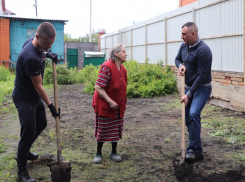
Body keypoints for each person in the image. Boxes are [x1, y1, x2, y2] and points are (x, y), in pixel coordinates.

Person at [12, 22, 60, 182]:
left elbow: (40, 50)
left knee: (42, 123)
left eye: (52, 43)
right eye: (47, 43)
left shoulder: (33, 42)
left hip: (32, 96)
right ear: (38, 37)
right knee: (28, 133)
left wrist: (47, 54)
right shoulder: (30, 58)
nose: (49, 45)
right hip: (24, 98)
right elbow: (39, 86)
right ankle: (22, 172)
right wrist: (51, 106)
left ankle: (23, 152)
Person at [175, 22, 212, 163]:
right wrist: (181, 66)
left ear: (193, 34)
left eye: (184, 34)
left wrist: (188, 94)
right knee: (187, 119)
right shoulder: (184, 46)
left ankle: (193, 149)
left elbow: (202, 76)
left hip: (202, 88)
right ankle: (197, 150)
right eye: (182, 34)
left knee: (193, 114)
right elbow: (177, 59)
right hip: (188, 87)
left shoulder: (204, 50)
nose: (181, 37)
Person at [92, 44, 128, 164]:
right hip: (105, 103)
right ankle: (98, 152)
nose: (126, 54)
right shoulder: (107, 67)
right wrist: (110, 101)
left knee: (116, 128)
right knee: (103, 128)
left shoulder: (123, 70)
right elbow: (98, 86)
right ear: (116, 54)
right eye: (123, 52)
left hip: (118, 105)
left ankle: (113, 152)